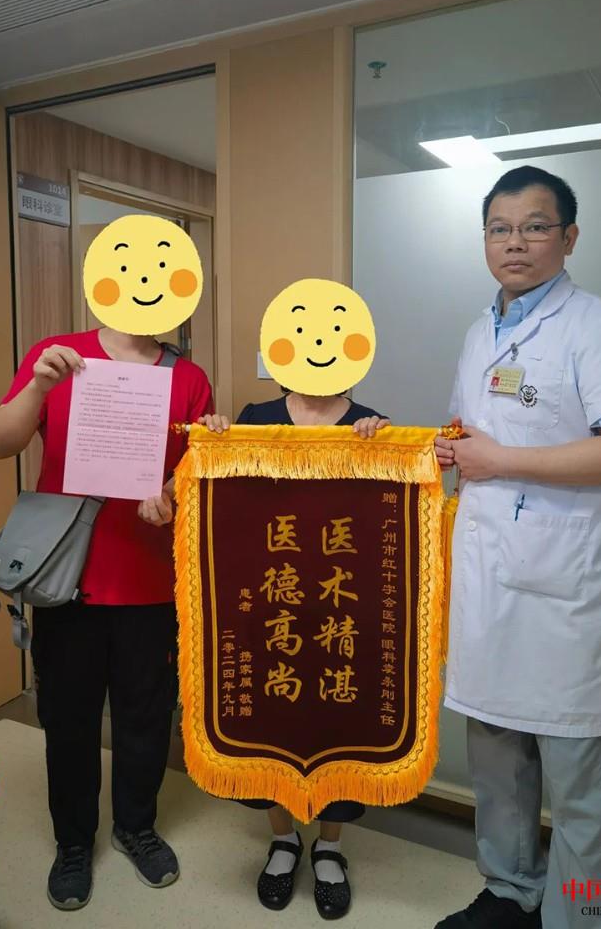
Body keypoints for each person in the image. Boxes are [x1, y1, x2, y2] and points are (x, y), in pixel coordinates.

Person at [432, 166, 601, 929]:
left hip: (565, 590)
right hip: (489, 578)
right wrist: (452, 449)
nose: (515, 242)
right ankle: (508, 895)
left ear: (569, 237)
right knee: (497, 763)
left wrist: (501, 460)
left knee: (580, 787)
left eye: (534, 226)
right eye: (500, 228)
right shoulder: (479, 333)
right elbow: (476, 434)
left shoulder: (600, 327)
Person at [0, 325, 212, 911]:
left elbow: (195, 472)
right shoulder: (58, 357)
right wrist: (38, 387)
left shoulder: (188, 379)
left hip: (151, 581)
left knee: (146, 717)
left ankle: (136, 827)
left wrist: (172, 491)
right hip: (67, 579)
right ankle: (73, 842)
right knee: (69, 720)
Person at [200, 388, 389, 920]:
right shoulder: (256, 418)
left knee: (336, 720)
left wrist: (383, 447)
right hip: (273, 596)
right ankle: (283, 840)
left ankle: (329, 848)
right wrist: (216, 441)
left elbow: (384, 517)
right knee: (274, 718)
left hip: (337, 600)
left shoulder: (369, 423)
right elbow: (231, 497)